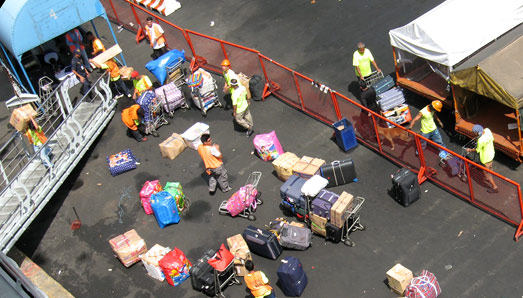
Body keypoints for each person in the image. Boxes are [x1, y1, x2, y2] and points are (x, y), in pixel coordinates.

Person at [467, 125, 499, 193]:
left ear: (476, 132)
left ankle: (494, 187)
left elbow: (478, 150)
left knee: (487, 173)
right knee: (490, 167)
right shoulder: (487, 130)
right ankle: (489, 176)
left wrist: (470, 150)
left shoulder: (480, 140)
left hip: (485, 158)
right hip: (491, 154)